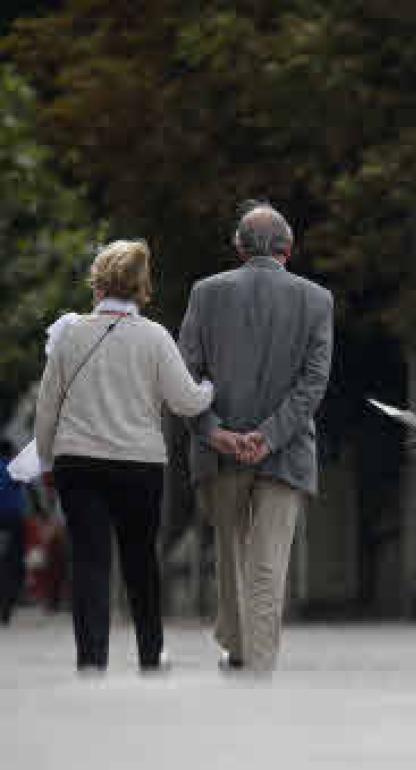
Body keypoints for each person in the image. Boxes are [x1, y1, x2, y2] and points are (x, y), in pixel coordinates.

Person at [34, 240, 215, 673]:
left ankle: (92, 659)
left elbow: (47, 406)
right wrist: (210, 387)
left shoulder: (71, 334)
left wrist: (45, 461)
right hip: (138, 465)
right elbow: (187, 401)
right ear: (141, 286)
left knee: (90, 561)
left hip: (78, 462)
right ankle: (150, 654)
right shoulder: (153, 337)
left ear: (97, 282)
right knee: (140, 559)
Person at [179, 201, 333, 673]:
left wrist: (215, 432)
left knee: (231, 554)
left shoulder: (206, 293)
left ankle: (240, 648)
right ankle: (258, 660)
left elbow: (185, 375)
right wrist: (269, 437)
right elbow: (313, 383)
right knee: (268, 562)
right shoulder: (317, 299)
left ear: (238, 247)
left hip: (220, 453)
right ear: (289, 248)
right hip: (286, 454)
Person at [0, 439, 28, 625]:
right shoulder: (15, 468)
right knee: (13, 562)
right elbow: (30, 491)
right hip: (13, 520)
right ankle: (7, 606)